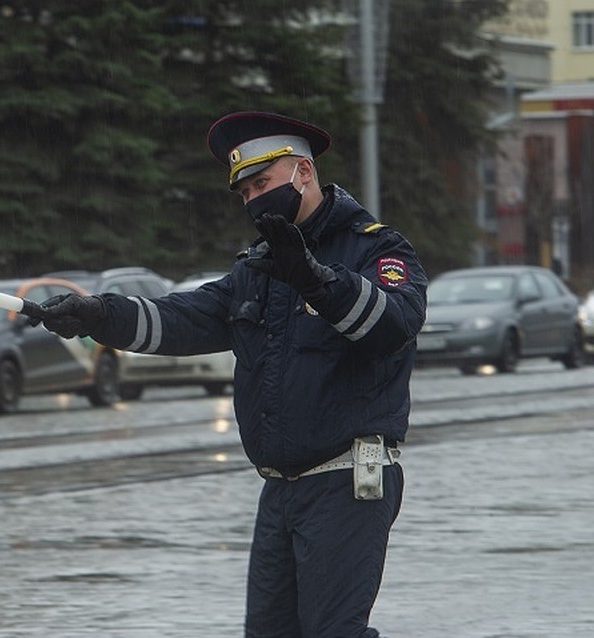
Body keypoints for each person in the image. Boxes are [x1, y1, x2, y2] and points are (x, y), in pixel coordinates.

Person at [35, 111, 428, 637]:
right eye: (244, 192)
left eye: (263, 183)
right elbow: (182, 320)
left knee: (334, 632)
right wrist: (98, 315)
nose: (253, 199)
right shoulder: (259, 267)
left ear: (304, 172)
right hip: (279, 489)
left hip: (349, 480)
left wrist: (317, 282)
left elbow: (394, 326)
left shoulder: (377, 248)